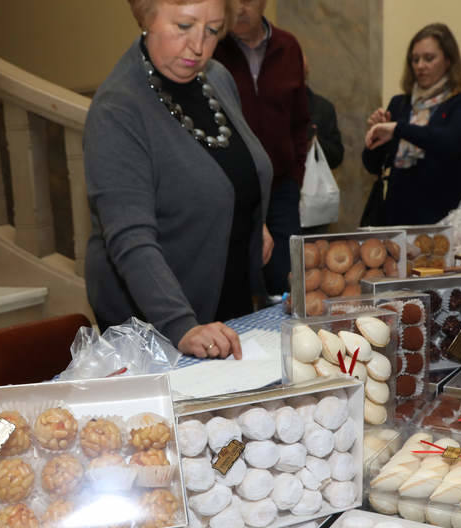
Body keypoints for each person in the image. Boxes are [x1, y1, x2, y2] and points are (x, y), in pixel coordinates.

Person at [84, 0, 274, 360]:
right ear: (146, 17)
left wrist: (250, 216)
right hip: (161, 321)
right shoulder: (117, 108)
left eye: (213, 30)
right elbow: (130, 238)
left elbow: (230, 169)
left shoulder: (217, 78)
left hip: (227, 300)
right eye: (184, 27)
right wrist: (181, 325)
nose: (199, 46)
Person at [213, 0, 310, 296]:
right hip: (232, 191)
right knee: (235, 282)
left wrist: (295, 174)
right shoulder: (212, 49)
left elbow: (301, 121)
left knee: (287, 280)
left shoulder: (288, 47)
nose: (239, 8)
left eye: (247, 0)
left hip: (281, 189)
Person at [361, 23, 461, 227]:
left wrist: (398, 129)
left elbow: (453, 142)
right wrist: (377, 137)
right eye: (415, 59)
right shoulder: (400, 103)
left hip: (441, 218)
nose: (420, 66)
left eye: (429, 58)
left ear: (448, 60)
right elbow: (372, 165)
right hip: (396, 218)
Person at [303, 54, 343, 171]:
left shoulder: (323, 108)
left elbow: (337, 156)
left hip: (313, 184)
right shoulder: (270, 107)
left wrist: (314, 143)